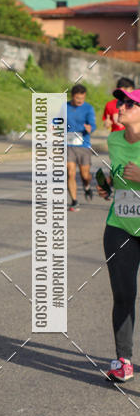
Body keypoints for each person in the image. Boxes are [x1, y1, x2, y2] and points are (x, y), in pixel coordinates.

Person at [97, 85, 140, 382]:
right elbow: (116, 171)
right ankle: (123, 360)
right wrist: (108, 183)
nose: (119, 106)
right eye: (119, 101)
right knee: (123, 294)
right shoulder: (113, 139)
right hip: (120, 226)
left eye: (128, 103)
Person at [66, 83, 96, 212]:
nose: (80, 101)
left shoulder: (88, 108)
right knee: (70, 173)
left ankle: (87, 186)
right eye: (78, 99)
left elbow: (93, 124)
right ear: (72, 96)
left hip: (83, 144)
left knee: (85, 175)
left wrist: (90, 128)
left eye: (82, 99)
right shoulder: (64, 107)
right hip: (68, 144)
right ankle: (74, 201)